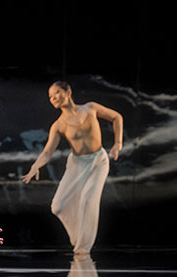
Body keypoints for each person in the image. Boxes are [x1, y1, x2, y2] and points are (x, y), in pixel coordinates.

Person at [22, 81, 123, 255]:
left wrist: (118, 142)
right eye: (50, 97)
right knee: (58, 206)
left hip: (98, 161)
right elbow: (47, 152)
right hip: (77, 163)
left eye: (56, 93)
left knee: (88, 200)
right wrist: (35, 166)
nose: (53, 98)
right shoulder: (59, 125)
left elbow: (116, 117)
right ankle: (78, 236)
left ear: (68, 92)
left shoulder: (90, 108)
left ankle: (82, 248)